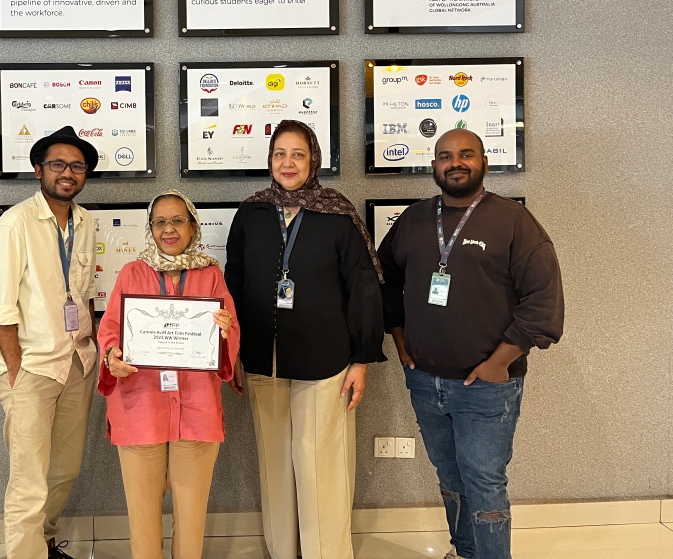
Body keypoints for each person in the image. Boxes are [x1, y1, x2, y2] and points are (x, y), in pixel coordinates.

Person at [378, 129, 564, 559]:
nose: (455, 162)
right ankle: (463, 552)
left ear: (484, 161)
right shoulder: (414, 220)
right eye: (445, 155)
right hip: (425, 380)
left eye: (466, 154)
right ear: (434, 165)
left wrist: (501, 361)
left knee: (484, 482)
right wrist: (401, 338)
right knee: (449, 476)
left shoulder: (514, 221)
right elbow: (385, 279)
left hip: (487, 384)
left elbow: (544, 300)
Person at [225, 119, 385, 559]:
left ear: (314, 158)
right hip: (262, 361)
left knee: (321, 470)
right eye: (280, 154)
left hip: (326, 363)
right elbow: (233, 285)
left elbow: (364, 289)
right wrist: (233, 352)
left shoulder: (337, 213)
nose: (288, 162)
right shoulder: (251, 213)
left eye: (298, 153)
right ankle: (282, 552)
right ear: (269, 160)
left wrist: (362, 360)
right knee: (275, 469)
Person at [97, 190, 240, 559]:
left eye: (178, 220)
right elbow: (110, 330)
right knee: (142, 516)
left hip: (197, 408)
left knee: (192, 516)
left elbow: (231, 333)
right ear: (150, 228)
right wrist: (112, 356)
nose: (169, 229)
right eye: (159, 221)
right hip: (139, 405)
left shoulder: (210, 275)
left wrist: (224, 333)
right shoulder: (132, 272)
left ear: (193, 226)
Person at [0, 126, 100, 559]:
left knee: (65, 469)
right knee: (28, 478)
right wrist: (16, 372)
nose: (67, 173)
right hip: (31, 368)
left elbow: (83, 292)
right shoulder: (15, 224)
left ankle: (45, 543)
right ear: (38, 170)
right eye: (58, 165)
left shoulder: (86, 222)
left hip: (77, 363)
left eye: (76, 166)